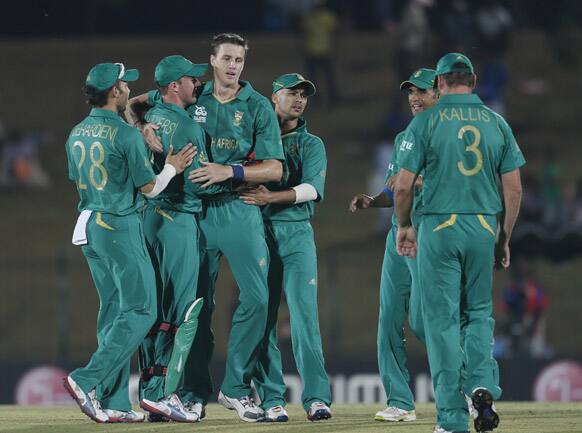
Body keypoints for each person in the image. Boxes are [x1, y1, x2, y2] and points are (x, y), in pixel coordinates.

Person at [128, 33, 284, 423]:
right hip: (196, 212)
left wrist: (228, 171)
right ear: (212, 61)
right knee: (196, 307)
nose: (233, 66)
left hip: (238, 208)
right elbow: (134, 104)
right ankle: (194, 392)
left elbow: (276, 168)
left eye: (239, 60)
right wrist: (142, 131)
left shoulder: (258, 106)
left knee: (259, 299)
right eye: (227, 59)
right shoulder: (192, 95)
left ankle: (234, 389)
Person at [394, 53, 525, 433]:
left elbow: (402, 185)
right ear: (474, 79)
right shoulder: (497, 122)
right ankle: (482, 384)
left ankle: (452, 418)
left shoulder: (426, 121)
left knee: (442, 322)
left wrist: (404, 225)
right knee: (479, 313)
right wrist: (504, 237)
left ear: (439, 83)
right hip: (483, 225)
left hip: (438, 226)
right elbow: (513, 188)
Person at [63, 62, 194, 423]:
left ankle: (114, 401)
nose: (127, 89)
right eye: (123, 84)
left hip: (89, 224)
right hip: (119, 225)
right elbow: (150, 188)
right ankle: (85, 379)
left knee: (114, 311)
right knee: (141, 310)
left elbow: (81, 175)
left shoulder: (76, 132)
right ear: (114, 92)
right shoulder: (125, 135)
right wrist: (171, 167)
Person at [137, 55, 230, 423]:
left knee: (151, 310)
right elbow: (200, 183)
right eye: (192, 79)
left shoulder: (154, 112)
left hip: (147, 220)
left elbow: (132, 105)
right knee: (180, 313)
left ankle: (148, 393)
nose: (199, 83)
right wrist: (232, 176)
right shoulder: (189, 130)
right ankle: (164, 393)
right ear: (175, 86)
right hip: (178, 220)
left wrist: (141, 124)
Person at [239, 73, 331, 422]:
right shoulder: (253, 139)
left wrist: (270, 197)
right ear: (273, 96)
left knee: (304, 316)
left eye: (304, 95)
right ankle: (272, 398)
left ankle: (317, 398)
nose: (299, 100)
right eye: (292, 93)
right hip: (256, 233)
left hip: (295, 233)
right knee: (262, 318)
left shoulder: (311, 144)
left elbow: (311, 190)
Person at [349, 68, 438, 422]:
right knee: (388, 318)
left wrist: (416, 184)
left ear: (439, 93)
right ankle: (400, 401)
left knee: (422, 318)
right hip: (398, 234)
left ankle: (461, 386)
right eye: (410, 92)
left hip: (429, 232)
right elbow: (396, 188)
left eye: (422, 91)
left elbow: (444, 185)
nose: (414, 98)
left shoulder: (449, 136)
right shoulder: (404, 137)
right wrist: (374, 200)